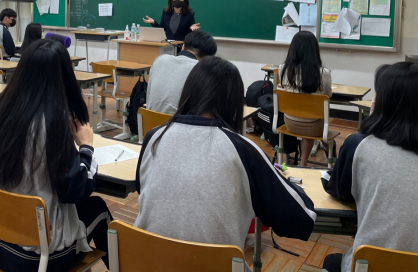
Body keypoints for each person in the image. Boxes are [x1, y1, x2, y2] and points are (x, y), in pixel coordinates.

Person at [135, 56, 316, 265]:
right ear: (234, 102)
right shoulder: (242, 150)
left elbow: (144, 190)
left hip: (146, 263)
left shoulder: (154, 137)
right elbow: (301, 219)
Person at [0, 39, 111, 272]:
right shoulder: (52, 123)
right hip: (39, 259)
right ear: (64, 76)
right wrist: (86, 147)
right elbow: (75, 191)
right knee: (97, 207)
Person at [321, 62, 418, 272]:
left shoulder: (360, 145)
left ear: (384, 103)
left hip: (369, 265)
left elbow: (342, 193)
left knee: (331, 262)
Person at [279, 31, 332, 166]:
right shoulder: (323, 73)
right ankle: (306, 162)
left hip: (289, 122)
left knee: (305, 114)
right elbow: (328, 96)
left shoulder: (283, 70)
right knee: (315, 116)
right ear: (314, 50)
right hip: (314, 126)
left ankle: (296, 162)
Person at [146, 30, 217, 114]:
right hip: (179, 125)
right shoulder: (202, 69)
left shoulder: (160, 60)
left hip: (149, 122)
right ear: (208, 58)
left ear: (183, 46)